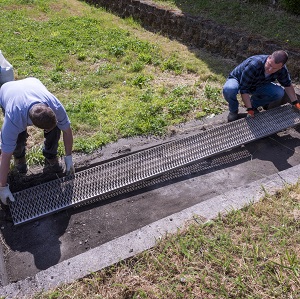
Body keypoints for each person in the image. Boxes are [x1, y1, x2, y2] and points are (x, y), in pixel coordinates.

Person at [0, 77, 75, 205]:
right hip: (8, 91)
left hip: (32, 83)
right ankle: (20, 158)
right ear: (33, 125)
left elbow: (67, 131)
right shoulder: (14, 119)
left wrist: (69, 157)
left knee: (56, 129)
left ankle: (50, 154)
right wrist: (2, 187)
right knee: (18, 137)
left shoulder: (55, 106)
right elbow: (5, 155)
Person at [223, 50, 300, 122]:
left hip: (258, 83)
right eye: (269, 64)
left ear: (281, 67)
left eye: (274, 68)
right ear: (269, 57)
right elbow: (244, 89)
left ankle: (254, 105)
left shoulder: (282, 70)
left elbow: (288, 85)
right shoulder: (254, 65)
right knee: (229, 90)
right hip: (238, 80)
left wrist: (295, 102)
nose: (270, 69)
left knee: (279, 93)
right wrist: (249, 109)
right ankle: (233, 111)